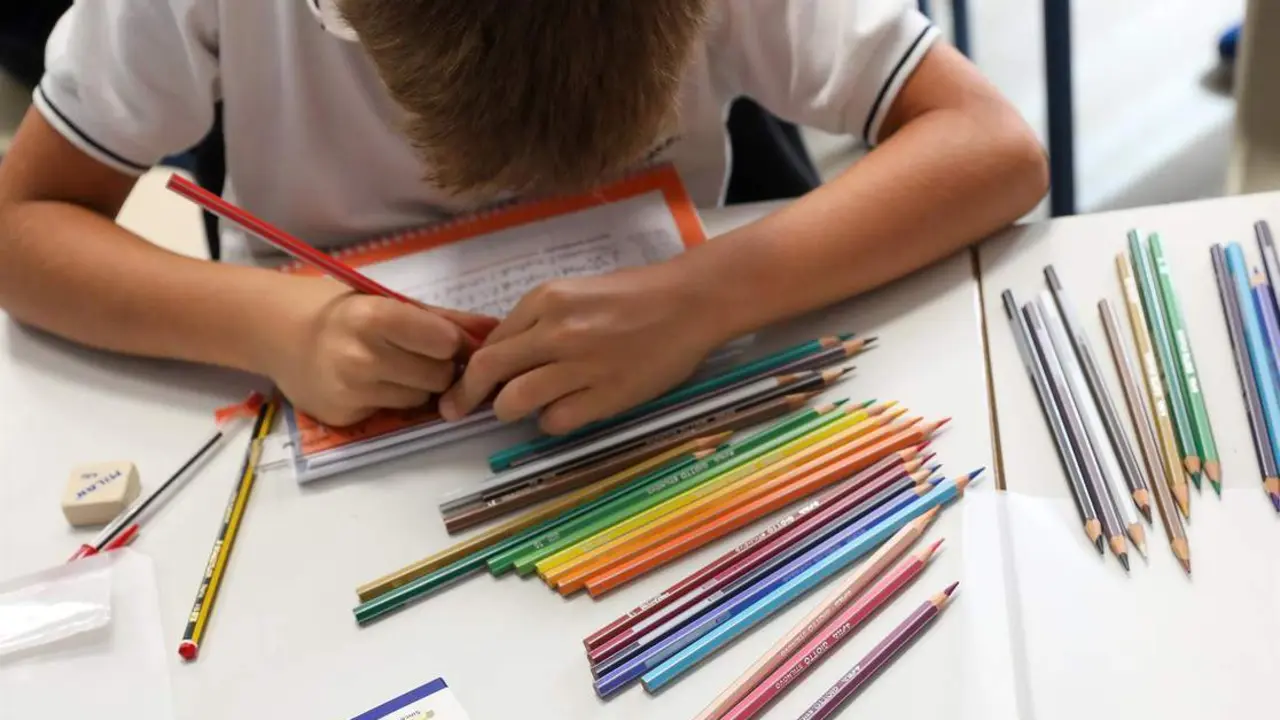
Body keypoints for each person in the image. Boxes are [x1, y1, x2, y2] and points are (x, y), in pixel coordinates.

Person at [0, 0, 1047, 435]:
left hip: (677, 407)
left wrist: (704, 296)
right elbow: (24, 224)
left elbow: (989, 145)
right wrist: (274, 327)